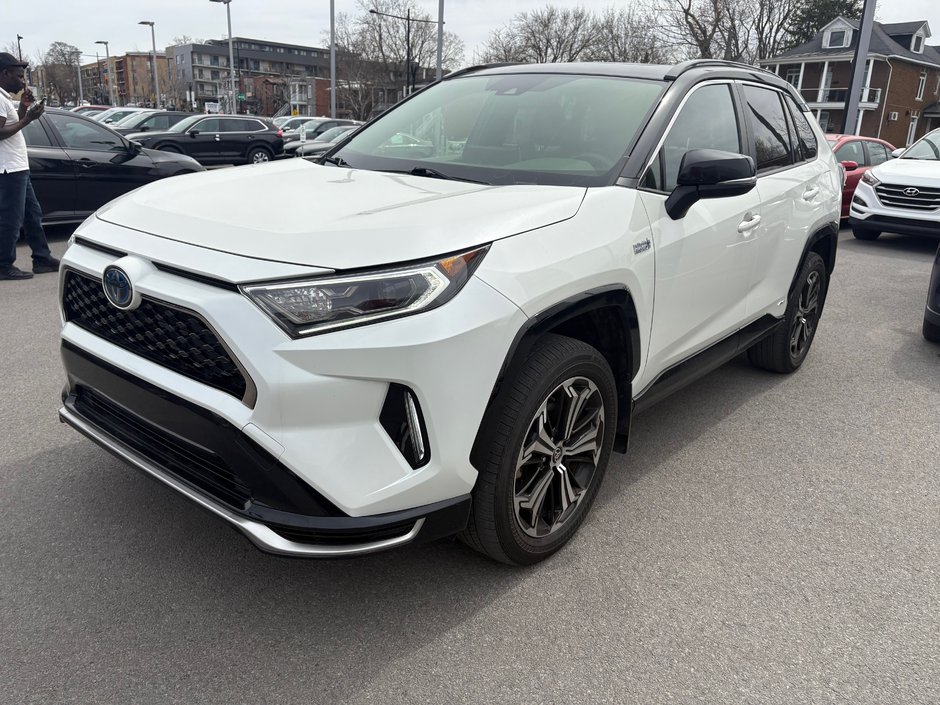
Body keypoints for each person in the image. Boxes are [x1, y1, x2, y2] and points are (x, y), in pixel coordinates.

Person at [0, 52, 59, 281]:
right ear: (4, 74)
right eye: (19, 76)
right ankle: (3, 264)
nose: (23, 81)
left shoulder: (5, 98)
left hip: (18, 168)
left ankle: (42, 259)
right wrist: (28, 119)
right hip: (8, 170)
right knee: (11, 219)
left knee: (32, 215)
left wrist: (24, 109)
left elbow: (11, 123)